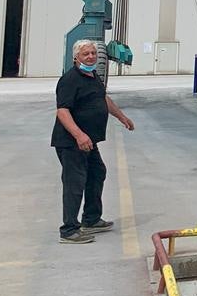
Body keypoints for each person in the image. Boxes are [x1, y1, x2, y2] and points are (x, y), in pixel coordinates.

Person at [51, 40, 135, 243]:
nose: (90, 57)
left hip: (89, 142)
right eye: (85, 54)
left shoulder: (93, 76)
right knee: (74, 183)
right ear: (76, 58)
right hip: (72, 142)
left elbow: (103, 99)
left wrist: (121, 117)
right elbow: (62, 111)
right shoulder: (69, 80)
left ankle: (91, 218)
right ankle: (69, 229)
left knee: (97, 173)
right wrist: (79, 135)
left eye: (92, 53)